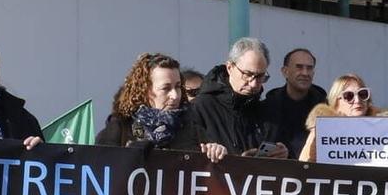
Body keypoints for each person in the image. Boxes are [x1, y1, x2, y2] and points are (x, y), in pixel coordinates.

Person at [96, 52, 225, 160]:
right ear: (145, 90)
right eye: (166, 88)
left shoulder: (191, 127)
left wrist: (216, 152)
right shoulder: (121, 126)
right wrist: (132, 154)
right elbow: (99, 166)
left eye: (178, 87)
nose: (175, 95)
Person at [185, 38, 286, 159]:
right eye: (247, 74)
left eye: (260, 76)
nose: (253, 83)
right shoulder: (200, 107)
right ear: (230, 67)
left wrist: (282, 154)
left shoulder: (267, 112)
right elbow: (188, 157)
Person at [299, 73, 387, 162]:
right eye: (349, 96)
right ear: (336, 103)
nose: (357, 100)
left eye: (362, 94)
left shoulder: (386, 127)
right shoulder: (322, 130)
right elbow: (305, 167)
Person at [261, 47, 324, 157]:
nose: (305, 73)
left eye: (309, 68)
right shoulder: (267, 108)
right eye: (299, 67)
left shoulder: (324, 110)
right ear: (285, 71)